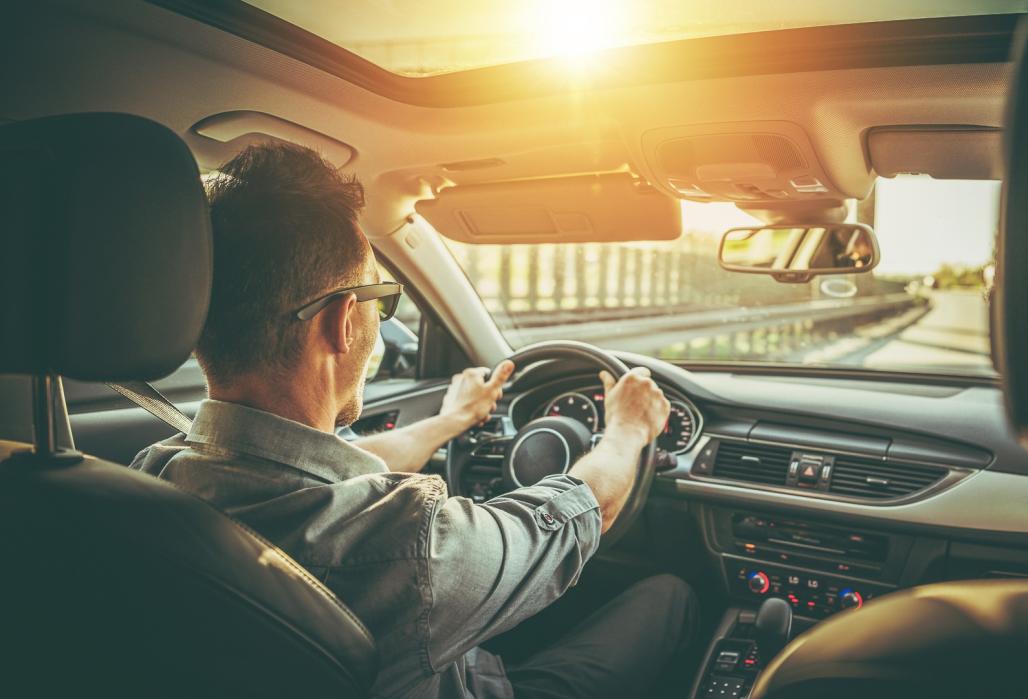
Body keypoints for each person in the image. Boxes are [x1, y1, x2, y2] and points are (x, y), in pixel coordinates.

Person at [130, 142, 698, 699]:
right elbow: (582, 514)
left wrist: (452, 421)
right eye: (382, 297)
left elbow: (324, 478)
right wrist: (628, 428)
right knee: (671, 595)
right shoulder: (411, 545)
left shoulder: (151, 477)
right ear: (344, 320)